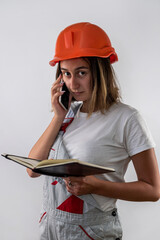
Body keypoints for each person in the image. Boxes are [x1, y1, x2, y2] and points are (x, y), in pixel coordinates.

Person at [27, 22, 160, 240]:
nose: (73, 84)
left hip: (92, 232)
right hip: (51, 229)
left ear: (100, 70)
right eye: (66, 74)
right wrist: (58, 116)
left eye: (81, 73)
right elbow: (32, 169)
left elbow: (153, 190)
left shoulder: (127, 119)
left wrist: (97, 186)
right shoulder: (67, 114)